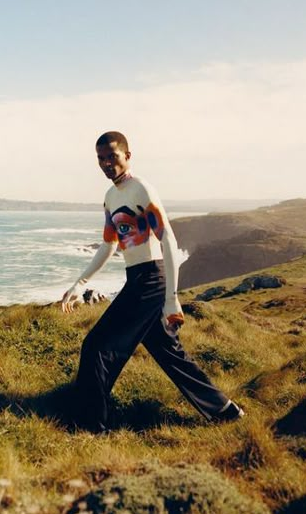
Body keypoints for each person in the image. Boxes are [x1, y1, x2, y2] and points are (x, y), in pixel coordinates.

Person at [61, 131, 244, 432]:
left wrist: (172, 297)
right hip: (137, 277)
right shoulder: (111, 197)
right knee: (168, 352)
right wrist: (80, 283)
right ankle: (226, 412)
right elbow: (108, 246)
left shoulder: (141, 189)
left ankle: (89, 426)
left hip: (151, 280)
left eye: (112, 157)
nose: (107, 164)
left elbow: (168, 238)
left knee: (96, 346)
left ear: (127, 156)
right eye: (101, 159)